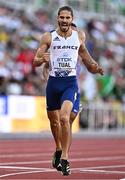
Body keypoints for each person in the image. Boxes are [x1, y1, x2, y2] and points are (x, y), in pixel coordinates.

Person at [33, 6, 104, 176]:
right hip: (53, 84)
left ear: (72, 19)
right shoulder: (48, 37)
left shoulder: (79, 36)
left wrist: (95, 68)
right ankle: (58, 149)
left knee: (65, 119)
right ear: (57, 18)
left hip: (70, 83)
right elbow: (35, 61)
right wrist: (42, 59)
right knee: (55, 122)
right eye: (62, 17)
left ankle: (65, 158)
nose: (64, 21)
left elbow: (86, 58)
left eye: (67, 18)